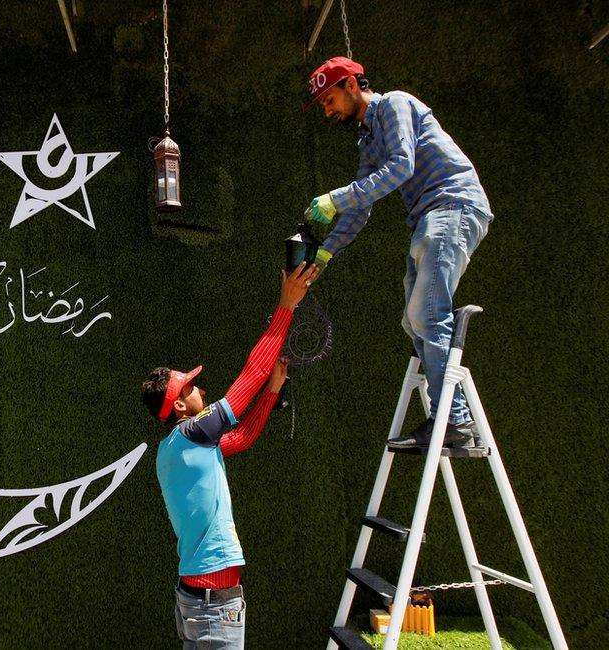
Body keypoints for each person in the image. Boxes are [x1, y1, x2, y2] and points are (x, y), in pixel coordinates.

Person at [301, 56, 493, 448]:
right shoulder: (369, 138)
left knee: (427, 314)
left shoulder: (394, 105)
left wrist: (337, 198)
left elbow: (401, 167)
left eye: (329, 99)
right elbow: (362, 204)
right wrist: (325, 253)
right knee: (414, 320)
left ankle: (452, 421)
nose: (327, 110)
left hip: (453, 204)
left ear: (352, 85)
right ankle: (451, 418)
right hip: (430, 217)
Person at [142, 262, 319, 649]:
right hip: (213, 607)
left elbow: (241, 437)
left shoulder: (176, 449)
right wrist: (286, 305)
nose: (200, 390)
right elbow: (250, 375)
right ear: (179, 409)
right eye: (190, 388)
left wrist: (272, 390)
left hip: (198, 601)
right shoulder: (193, 431)